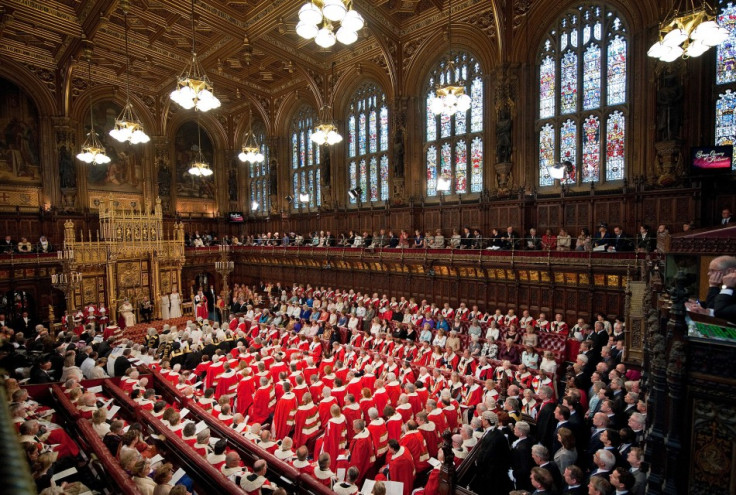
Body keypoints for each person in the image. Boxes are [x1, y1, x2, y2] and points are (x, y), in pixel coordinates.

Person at [469, 411, 511, 494]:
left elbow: (486, 456)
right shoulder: (494, 432)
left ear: (487, 421)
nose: (481, 421)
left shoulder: (492, 437)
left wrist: (478, 462)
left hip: (491, 473)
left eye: (483, 419)